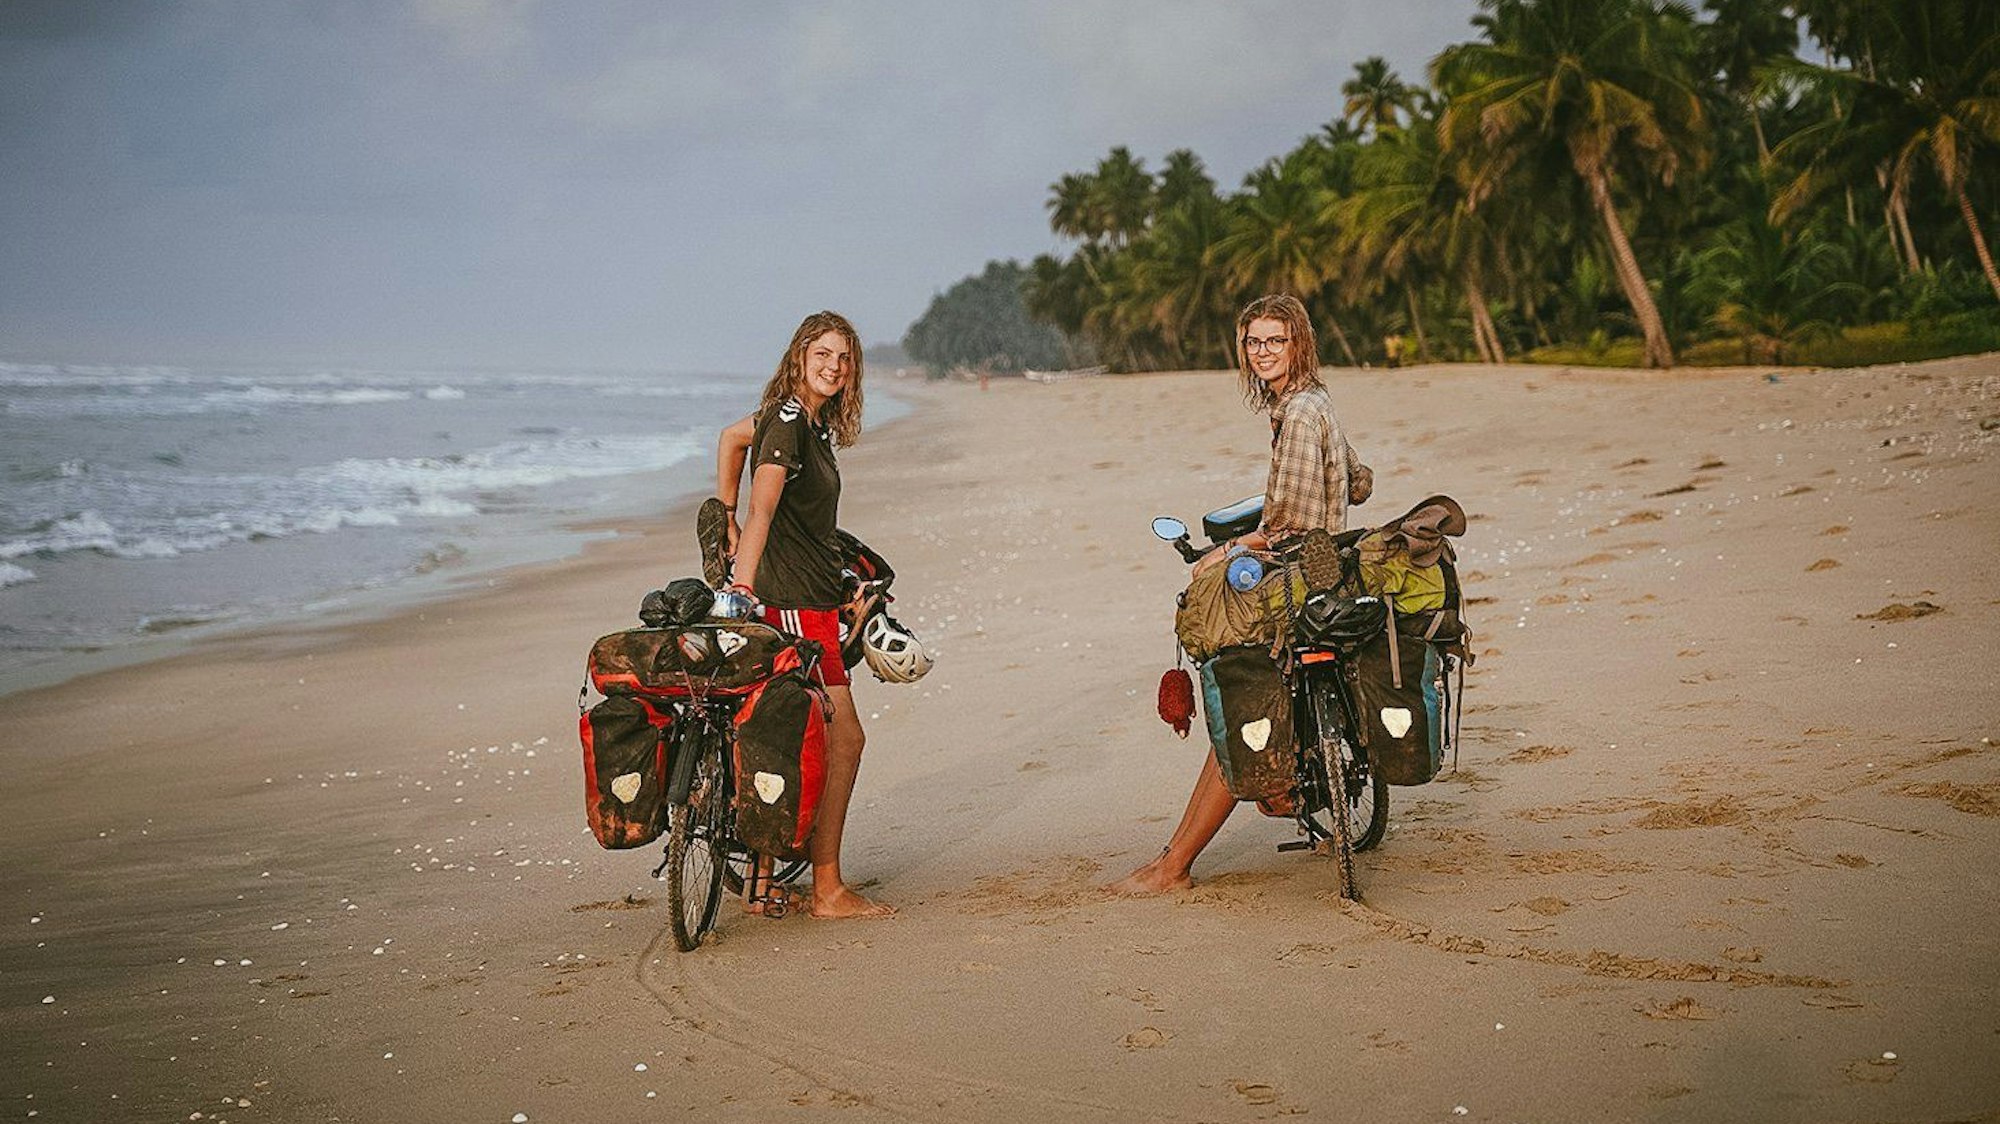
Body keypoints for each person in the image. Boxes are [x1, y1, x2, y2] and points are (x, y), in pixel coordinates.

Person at [1108, 294, 1362, 895]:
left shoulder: (1298, 414)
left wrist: (1226, 552)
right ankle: (1251, 812)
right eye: (1254, 342)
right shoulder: (1314, 403)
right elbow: (1360, 478)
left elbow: (1290, 521)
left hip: (1297, 572)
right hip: (1330, 567)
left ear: (1297, 341)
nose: (1264, 352)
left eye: (1276, 340)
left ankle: (1174, 866)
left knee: (1236, 691)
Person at [712, 310, 893, 919]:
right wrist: (739, 575)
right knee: (846, 739)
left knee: (786, 735)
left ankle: (764, 888)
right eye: (823, 353)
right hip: (789, 606)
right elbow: (766, 512)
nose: (834, 366)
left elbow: (729, 438)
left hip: (812, 597)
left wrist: (722, 509)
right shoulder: (789, 422)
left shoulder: (797, 423)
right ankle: (828, 888)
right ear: (799, 355)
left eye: (844, 358)